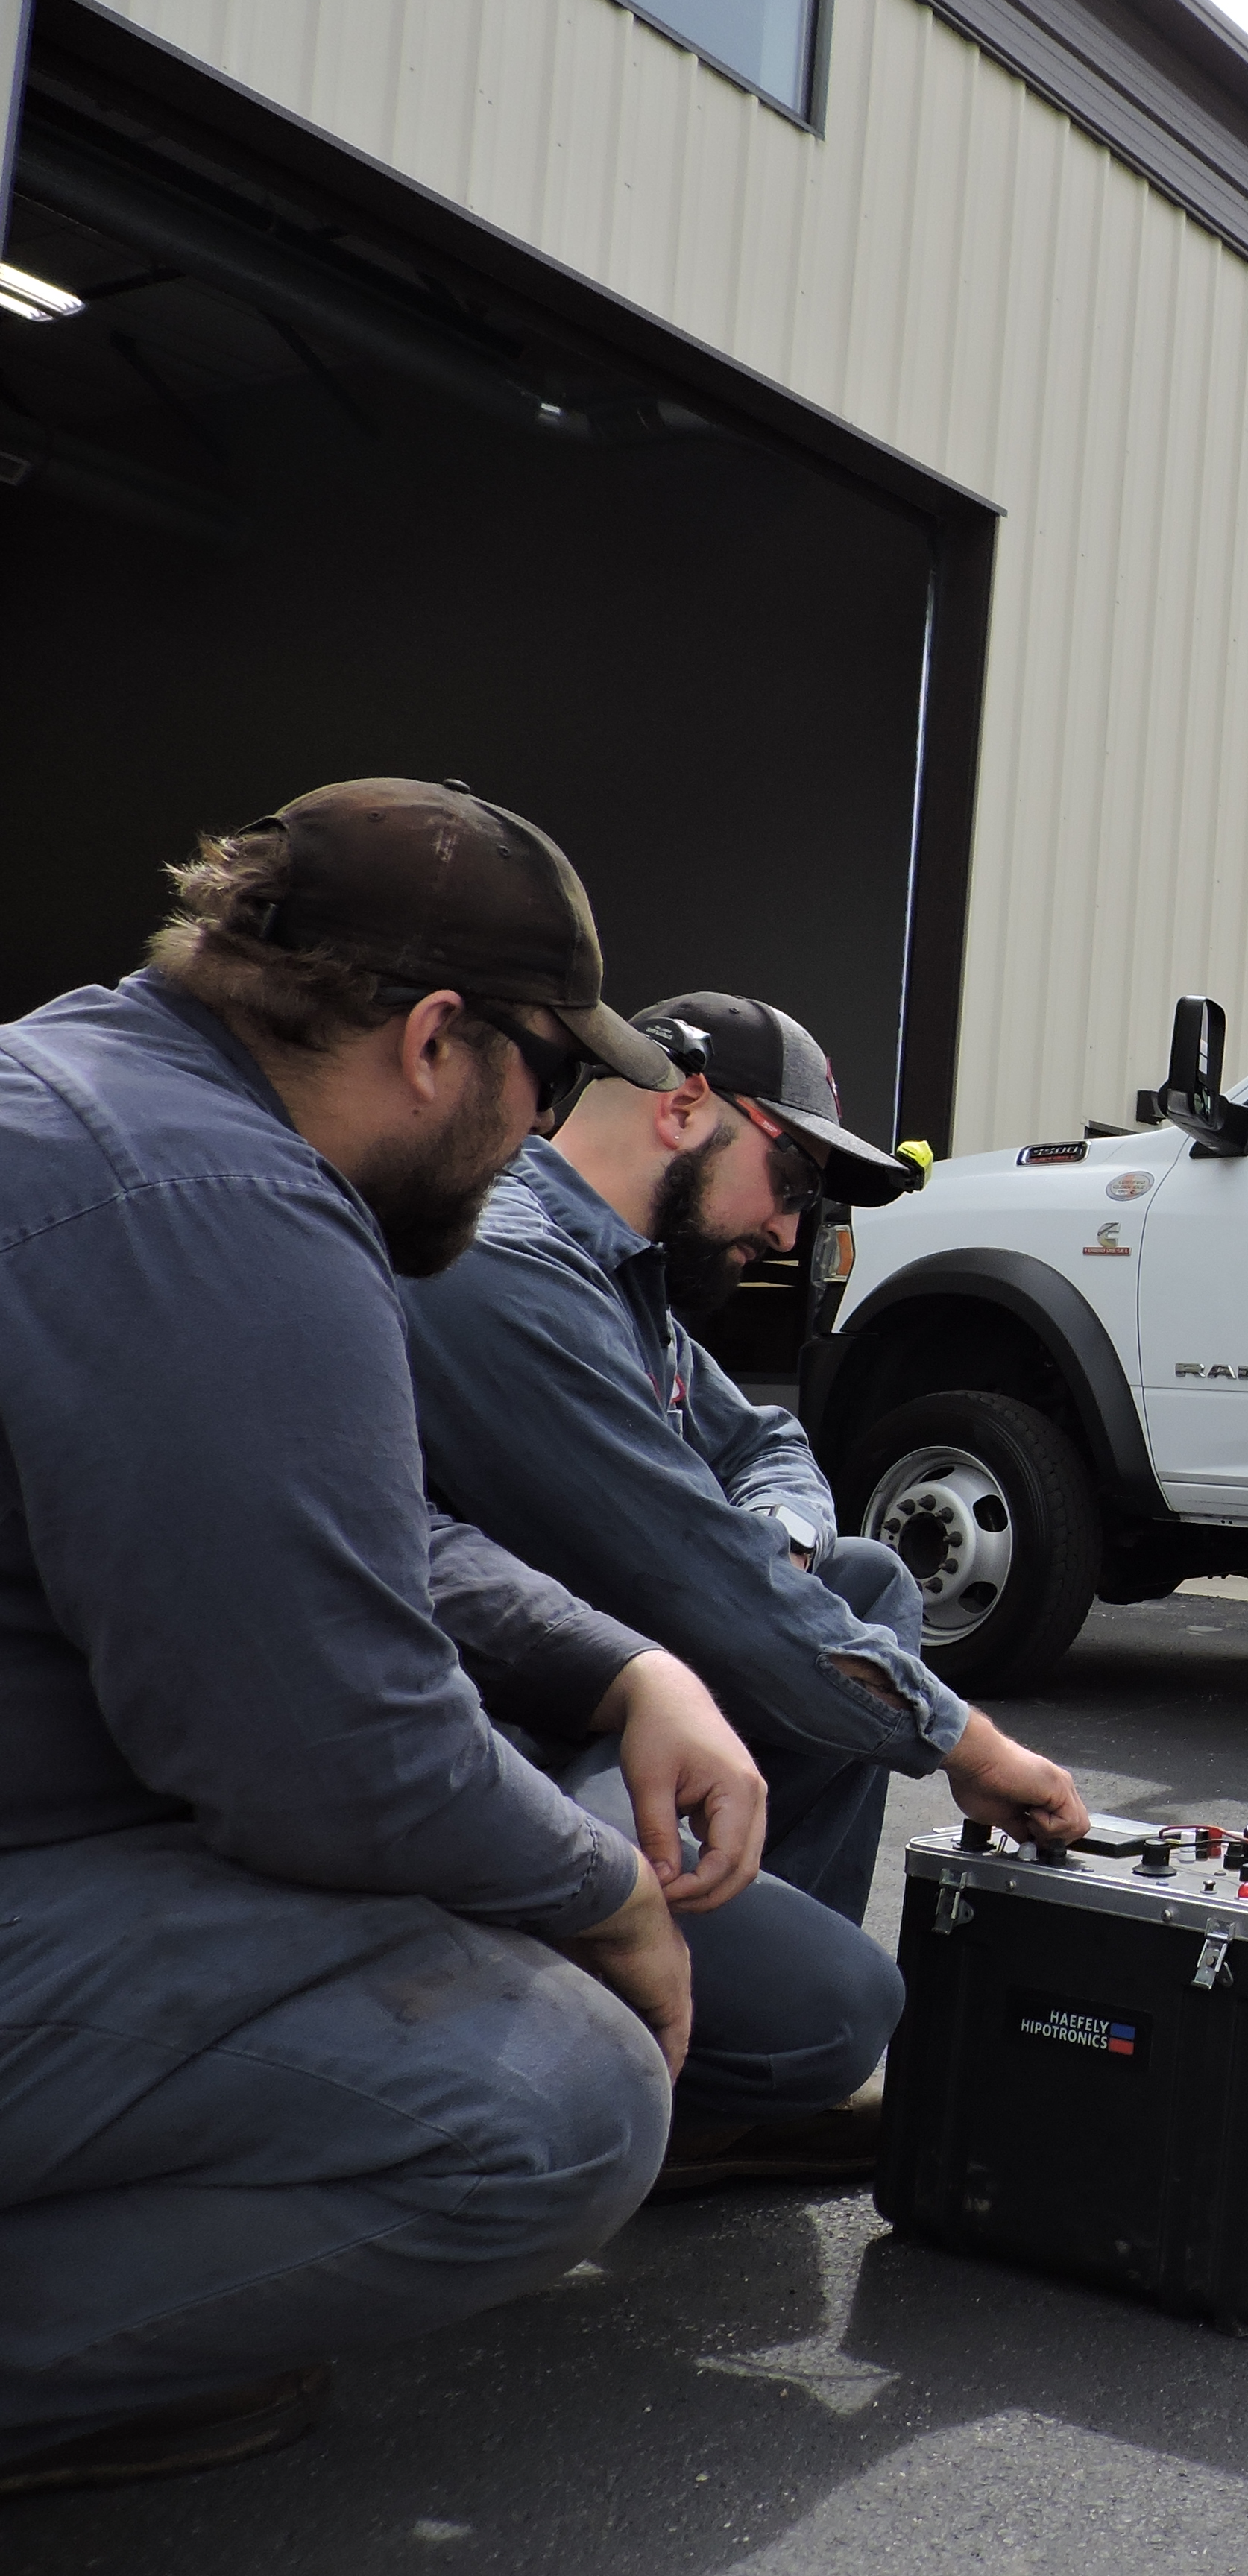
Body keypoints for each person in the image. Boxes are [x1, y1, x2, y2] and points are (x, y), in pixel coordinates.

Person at [0, 781, 705, 2494]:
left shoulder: (88, 1092)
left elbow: (304, 1515)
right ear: (438, 1038)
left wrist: (626, 1665)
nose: (542, 1133)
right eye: (548, 1075)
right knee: (570, 2100)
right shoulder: (219, 1196)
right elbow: (332, 1756)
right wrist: (609, 1898)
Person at [396, 991, 1087, 2176]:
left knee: (861, 1579)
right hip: (497, 1763)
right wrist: (969, 1747)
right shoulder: (502, 1270)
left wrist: (777, 1536)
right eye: (794, 1180)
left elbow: (768, 1450)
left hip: (613, 1708)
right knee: (845, 2012)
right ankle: (620, 2079)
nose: (790, 1228)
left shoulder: (624, 1280)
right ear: (683, 1109)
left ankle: (711, 2085)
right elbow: (694, 1583)